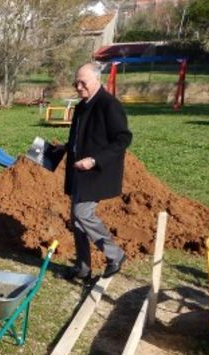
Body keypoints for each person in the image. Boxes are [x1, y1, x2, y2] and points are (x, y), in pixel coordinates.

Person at [56, 63, 131, 282]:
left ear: (97, 80)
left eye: (83, 82)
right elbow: (80, 138)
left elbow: (123, 139)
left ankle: (115, 255)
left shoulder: (109, 105)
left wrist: (94, 160)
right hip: (78, 171)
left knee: (82, 215)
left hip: (97, 172)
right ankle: (83, 268)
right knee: (77, 220)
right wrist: (65, 147)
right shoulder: (81, 106)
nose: (79, 87)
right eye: (76, 83)